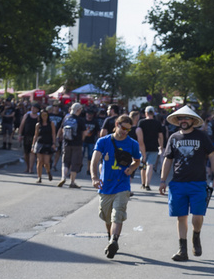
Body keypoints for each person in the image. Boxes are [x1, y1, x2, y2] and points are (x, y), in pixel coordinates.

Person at [159, 106, 214, 261]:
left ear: (193, 120)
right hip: (178, 183)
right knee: (181, 217)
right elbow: (168, 160)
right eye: (180, 118)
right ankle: (182, 250)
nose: (183, 121)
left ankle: (196, 236)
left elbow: (213, 156)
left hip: (198, 183)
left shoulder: (202, 136)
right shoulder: (174, 137)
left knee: (198, 216)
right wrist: (162, 180)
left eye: (186, 118)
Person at [91, 114, 141, 259]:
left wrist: (131, 169)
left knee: (117, 214)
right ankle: (110, 237)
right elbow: (94, 161)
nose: (125, 131)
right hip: (105, 186)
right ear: (116, 124)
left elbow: (137, 161)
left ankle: (114, 240)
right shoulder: (103, 141)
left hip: (122, 185)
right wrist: (94, 177)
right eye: (123, 127)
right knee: (107, 217)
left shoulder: (132, 144)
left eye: (128, 129)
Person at [57, 103, 86, 188]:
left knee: (65, 162)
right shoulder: (80, 120)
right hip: (77, 144)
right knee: (75, 163)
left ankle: (63, 177)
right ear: (78, 110)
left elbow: (61, 129)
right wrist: (82, 140)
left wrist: (58, 138)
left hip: (66, 143)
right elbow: (84, 133)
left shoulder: (66, 118)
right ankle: (72, 182)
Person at [136, 106, 164, 191]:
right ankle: (148, 184)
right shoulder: (157, 123)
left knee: (143, 165)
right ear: (153, 113)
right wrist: (161, 146)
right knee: (150, 165)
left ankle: (143, 183)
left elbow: (138, 134)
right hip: (154, 146)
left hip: (142, 146)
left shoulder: (141, 122)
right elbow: (160, 135)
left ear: (146, 113)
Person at [31, 107, 56, 183]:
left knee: (46, 162)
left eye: (45, 115)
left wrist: (54, 143)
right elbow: (35, 135)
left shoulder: (51, 123)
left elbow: (53, 134)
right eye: (43, 115)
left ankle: (48, 172)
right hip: (40, 143)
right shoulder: (38, 124)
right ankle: (39, 177)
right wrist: (33, 145)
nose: (44, 117)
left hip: (48, 143)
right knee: (39, 161)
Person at [18, 103, 40, 174]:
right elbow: (22, 125)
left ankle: (31, 168)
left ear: (37, 109)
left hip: (35, 136)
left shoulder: (39, 117)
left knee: (32, 152)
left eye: (35, 108)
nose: (33, 109)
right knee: (26, 153)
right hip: (26, 136)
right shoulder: (27, 115)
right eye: (32, 108)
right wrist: (20, 135)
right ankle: (27, 167)